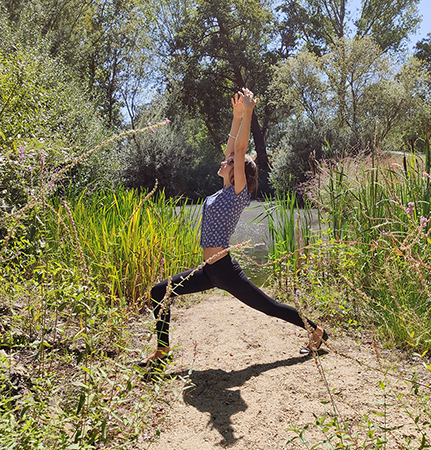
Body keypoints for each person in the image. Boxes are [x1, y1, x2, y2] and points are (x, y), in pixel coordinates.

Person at [139, 88, 327, 368]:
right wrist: (236, 115)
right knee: (159, 292)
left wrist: (249, 111)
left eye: (229, 163)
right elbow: (231, 148)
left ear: (238, 170)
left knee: (270, 308)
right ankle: (163, 351)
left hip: (225, 269)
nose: (224, 160)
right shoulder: (222, 190)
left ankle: (317, 331)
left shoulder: (238, 192)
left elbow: (238, 150)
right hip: (209, 270)